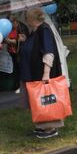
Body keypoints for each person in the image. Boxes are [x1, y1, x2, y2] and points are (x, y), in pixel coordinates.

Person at [20, 8, 64, 139]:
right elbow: (33, 47)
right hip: (32, 73)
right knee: (37, 101)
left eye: (27, 17)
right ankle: (41, 125)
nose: (25, 20)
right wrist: (25, 41)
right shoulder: (35, 31)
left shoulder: (44, 30)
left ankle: (50, 128)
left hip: (41, 74)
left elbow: (48, 52)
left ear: (32, 18)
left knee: (45, 100)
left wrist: (46, 74)